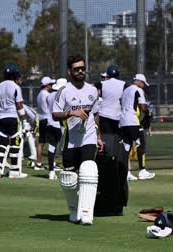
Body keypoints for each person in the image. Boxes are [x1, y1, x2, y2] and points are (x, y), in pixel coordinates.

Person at [52, 55, 103, 225]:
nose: (81, 71)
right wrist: (71, 113)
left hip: (88, 138)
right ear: (69, 71)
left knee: (88, 171)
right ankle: (74, 210)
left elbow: (95, 115)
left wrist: (98, 136)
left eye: (83, 68)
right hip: (70, 140)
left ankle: (87, 214)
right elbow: (55, 114)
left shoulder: (92, 90)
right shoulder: (64, 91)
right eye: (77, 69)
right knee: (70, 178)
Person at [0, 64, 30, 178]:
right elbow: (19, 105)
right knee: (15, 143)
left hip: (1, 118)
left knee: (2, 143)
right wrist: (25, 121)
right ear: (15, 75)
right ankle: (14, 170)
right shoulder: (16, 87)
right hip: (13, 118)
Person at [119, 74, 155, 180]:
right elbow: (143, 107)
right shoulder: (138, 90)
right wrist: (149, 114)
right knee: (141, 144)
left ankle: (126, 173)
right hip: (133, 121)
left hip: (123, 122)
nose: (143, 86)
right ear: (139, 81)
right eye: (143, 83)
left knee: (126, 147)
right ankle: (142, 171)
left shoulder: (125, 90)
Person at [45, 78, 67, 180]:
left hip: (49, 123)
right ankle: (66, 170)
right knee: (64, 148)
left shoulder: (49, 96)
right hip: (60, 125)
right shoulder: (63, 95)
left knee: (51, 148)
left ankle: (51, 172)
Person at [35, 76, 56, 170]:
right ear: (47, 85)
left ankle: (38, 164)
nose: (51, 85)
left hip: (41, 119)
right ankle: (53, 163)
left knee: (41, 143)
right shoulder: (47, 95)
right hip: (48, 120)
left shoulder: (39, 94)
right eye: (50, 84)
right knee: (52, 142)